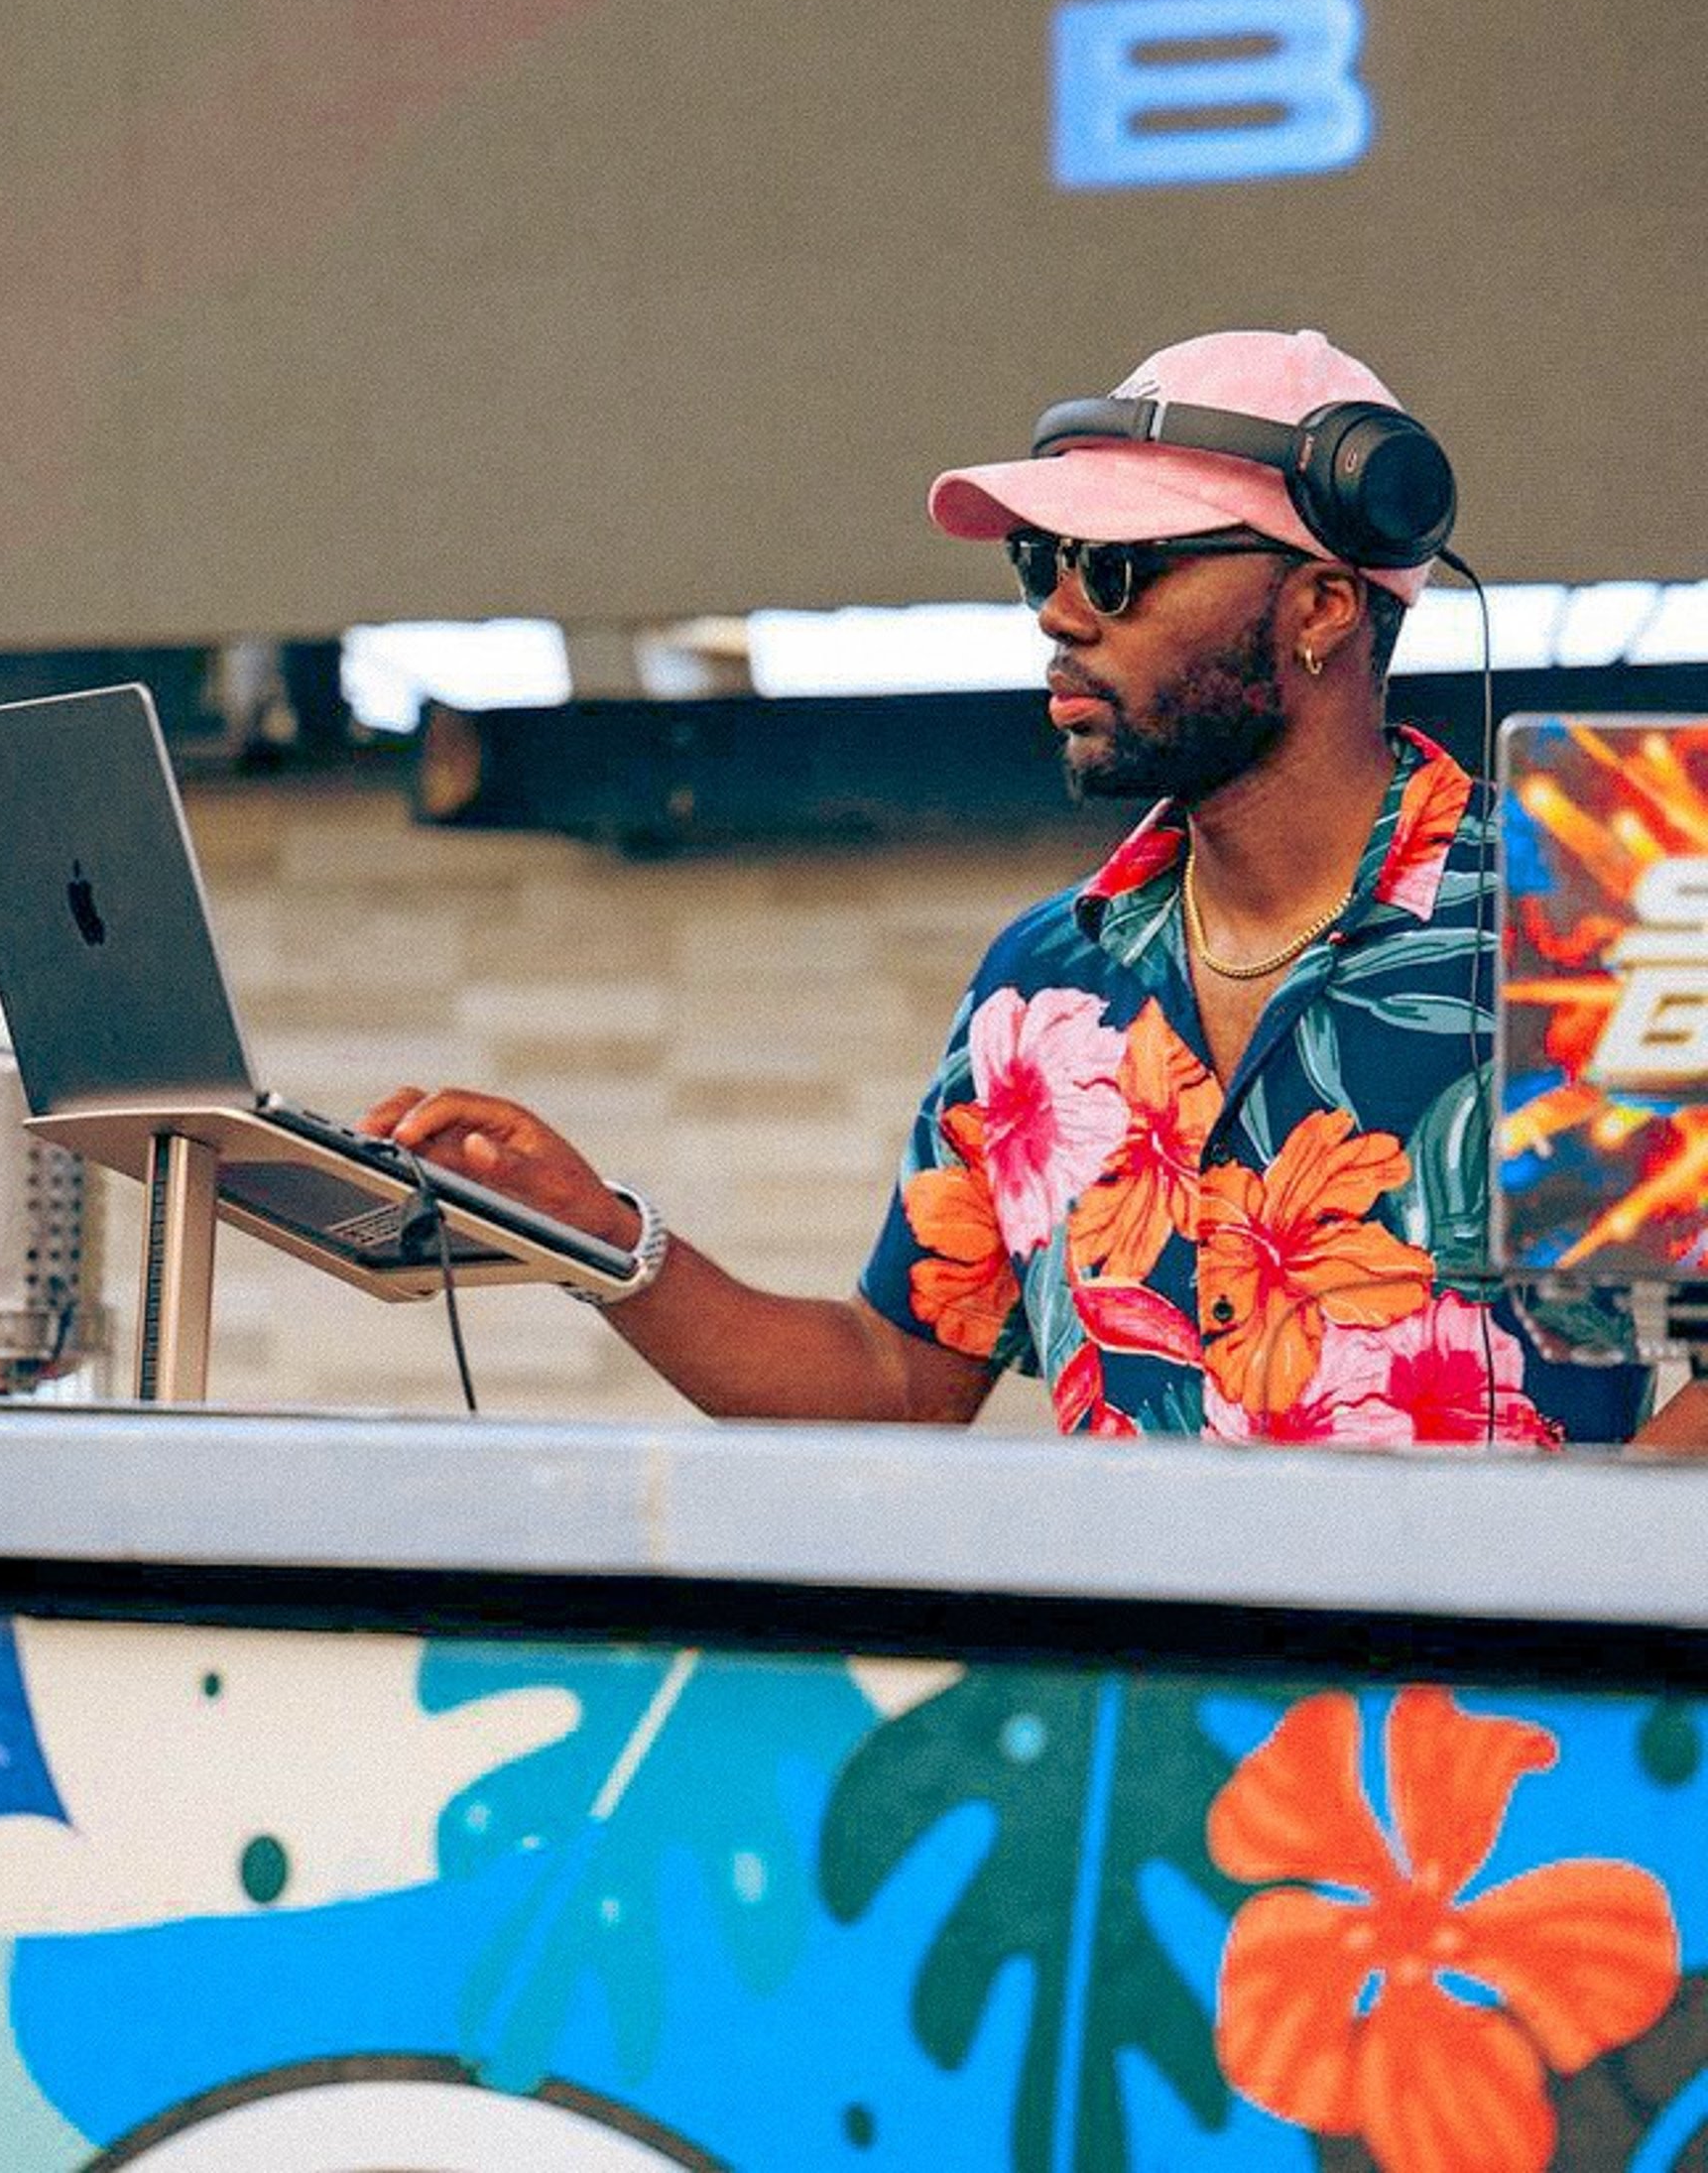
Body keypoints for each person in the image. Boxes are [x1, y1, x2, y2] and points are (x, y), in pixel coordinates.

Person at [366, 326, 1703, 1449]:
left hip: (1497, 1750)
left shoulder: (1583, 930)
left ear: (1321, 608)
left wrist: (1579, 1599)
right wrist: (602, 1238)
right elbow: (897, 1381)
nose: (1060, 613)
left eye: (1117, 569)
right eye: (1038, 565)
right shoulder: (1042, 982)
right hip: (1132, 1748)